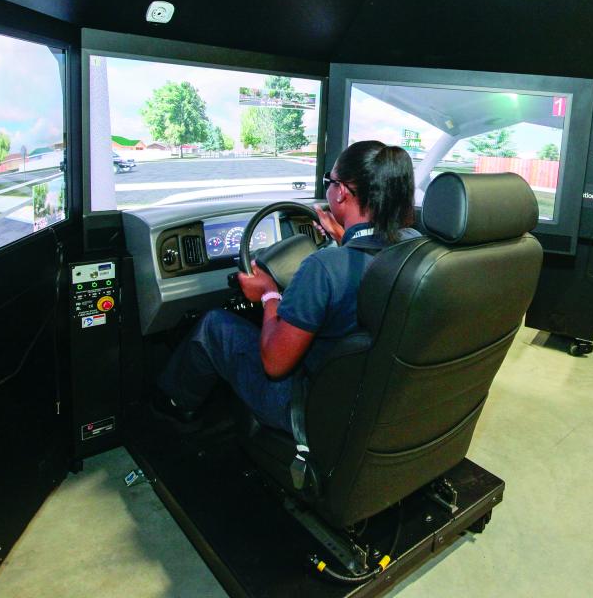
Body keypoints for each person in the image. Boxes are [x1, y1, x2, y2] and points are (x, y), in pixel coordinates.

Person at [154, 140, 420, 432]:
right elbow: (370, 260)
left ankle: (172, 410)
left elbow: (274, 363)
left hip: (311, 409)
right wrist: (343, 236)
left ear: (342, 192)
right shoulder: (416, 247)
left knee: (214, 325)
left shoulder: (324, 267)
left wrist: (268, 294)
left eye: (329, 182)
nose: (329, 189)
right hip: (375, 398)